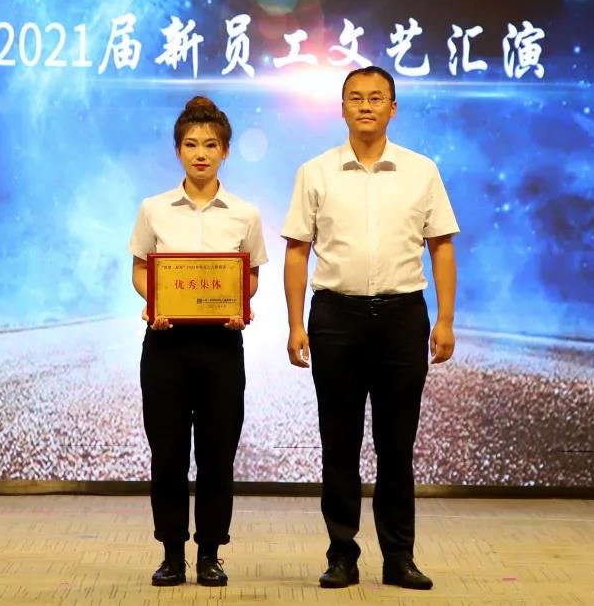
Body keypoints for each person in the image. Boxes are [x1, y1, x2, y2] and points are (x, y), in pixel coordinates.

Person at [281, 65, 459, 590]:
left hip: (403, 318)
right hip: (335, 318)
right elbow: (297, 251)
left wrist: (446, 319)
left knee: (396, 447)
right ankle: (342, 555)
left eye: (376, 98)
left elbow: (441, 247)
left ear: (393, 108)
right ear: (341, 108)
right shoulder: (315, 172)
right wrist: (294, 324)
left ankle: (399, 557)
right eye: (355, 97)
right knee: (338, 446)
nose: (365, 106)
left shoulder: (421, 170)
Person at [129, 96, 267, 587]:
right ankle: (171, 553)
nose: (201, 153)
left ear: (225, 150)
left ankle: (210, 553)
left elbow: (249, 277)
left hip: (221, 348)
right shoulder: (154, 208)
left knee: (216, 457)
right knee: (167, 456)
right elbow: (141, 269)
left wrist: (239, 305)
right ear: (178, 151)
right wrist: (154, 302)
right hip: (165, 345)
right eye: (191, 144)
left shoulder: (245, 213)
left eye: (210, 145)